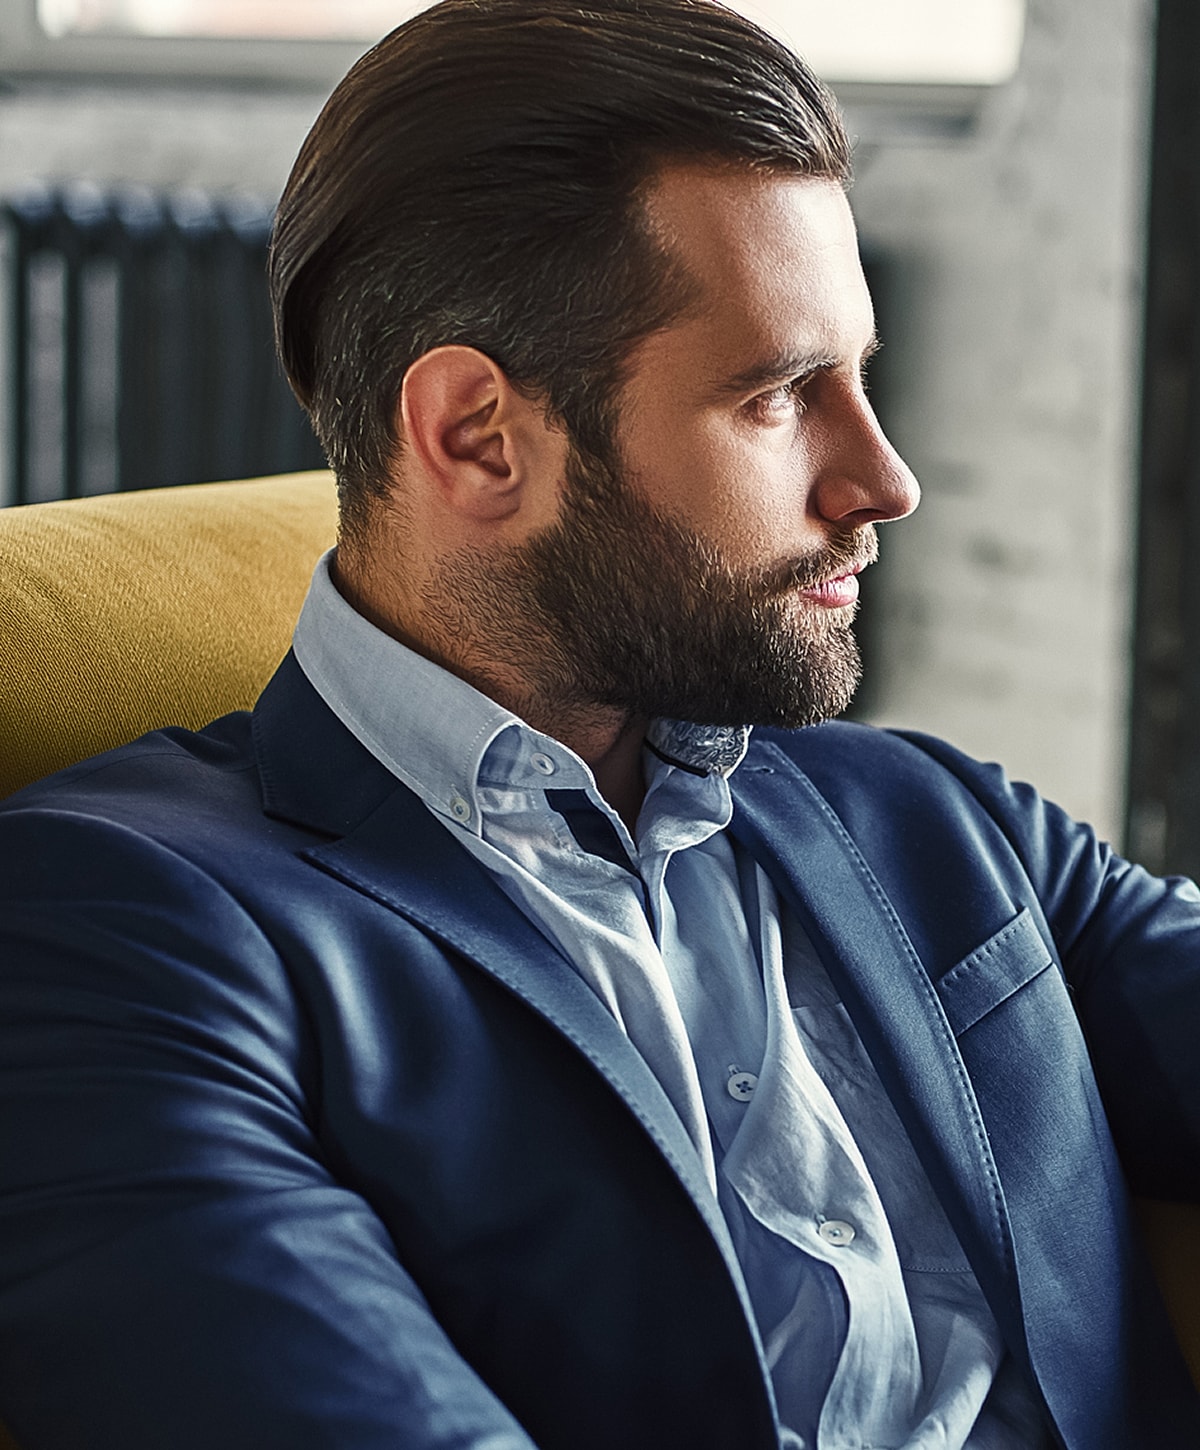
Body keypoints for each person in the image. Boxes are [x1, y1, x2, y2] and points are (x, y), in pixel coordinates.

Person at [0, 1, 1197, 1446]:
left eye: (859, 380)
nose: (883, 481)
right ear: (477, 436)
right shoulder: (123, 927)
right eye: (777, 398)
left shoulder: (930, 818)